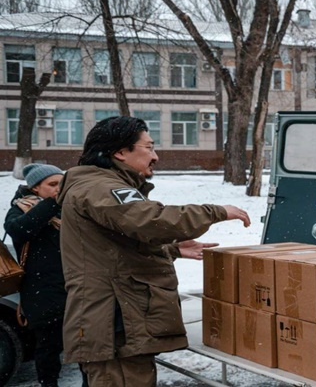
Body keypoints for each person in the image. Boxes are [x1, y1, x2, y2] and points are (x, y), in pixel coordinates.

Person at [56, 116, 250, 386]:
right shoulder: (101, 187)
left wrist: (173, 249)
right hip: (116, 324)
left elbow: (117, 247)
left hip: (117, 320)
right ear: (121, 152)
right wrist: (215, 211)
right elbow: (150, 220)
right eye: (148, 147)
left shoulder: (98, 185)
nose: (155, 156)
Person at [4, 164, 70, 387]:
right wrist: (53, 203)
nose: (58, 189)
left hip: (73, 286)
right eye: (52, 185)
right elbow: (20, 229)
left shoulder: (67, 209)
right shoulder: (21, 209)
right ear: (34, 188)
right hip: (41, 291)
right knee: (48, 347)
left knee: (82, 346)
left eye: (62, 184)